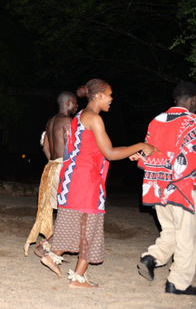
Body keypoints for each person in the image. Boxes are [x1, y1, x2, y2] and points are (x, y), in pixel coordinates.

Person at [40, 79, 157, 288]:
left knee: (77, 225)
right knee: (90, 229)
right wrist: (140, 145)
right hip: (87, 182)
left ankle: (52, 256)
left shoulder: (80, 116)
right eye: (110, 95)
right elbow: (110, 153)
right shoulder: (94, 119)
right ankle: (77, 278)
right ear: (99, 95)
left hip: (76, 179)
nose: (112, 99)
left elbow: (95, 149)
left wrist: (129, 152)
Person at [136, 81, 196, 296]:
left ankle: (151, 258)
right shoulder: (192, 122)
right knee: (187, 236)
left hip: (156, 187)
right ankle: (178, 283)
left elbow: (146, 154)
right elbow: (191, 159)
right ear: (192, 100)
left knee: (171, 230)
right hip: (182, 189)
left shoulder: (156, 121)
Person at [24, 91, 78, 257]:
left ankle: (53, 250)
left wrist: (54, 162)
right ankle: (48, 246)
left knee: (63, 209)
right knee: (70, 210)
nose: (77, 106)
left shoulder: (50, 122)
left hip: (52, 167)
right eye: (75, 103)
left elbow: (45, 147)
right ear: (67, 103)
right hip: (64, 167)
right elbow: (74, 148)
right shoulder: (68, 121)